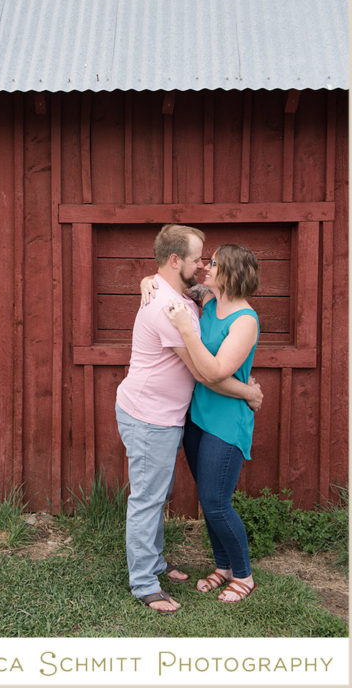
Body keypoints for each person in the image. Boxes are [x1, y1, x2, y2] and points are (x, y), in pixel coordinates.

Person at [116, 225, 262, 614]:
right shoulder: (177, 306)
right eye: (199, 259)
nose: (203, 268)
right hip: (152, 416)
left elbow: (211, 365)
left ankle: (191, 566)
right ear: (175, 260)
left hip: (182, 417)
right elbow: (204, 373)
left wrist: (150, 279)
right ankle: (145, 583)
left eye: (209, 262)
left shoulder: (194, 298)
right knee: (150, 499)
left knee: (174, 497)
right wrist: (250, 391)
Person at [161, 243, 261, 603]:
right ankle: (223, 567)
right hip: (197, 417)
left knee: (217, 502)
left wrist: (184, 330)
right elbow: (170, 283)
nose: (206, 266)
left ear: (230, 271)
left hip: (226, 423)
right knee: (208, 498)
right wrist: (146, 281)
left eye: (214, 262)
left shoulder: (245, 321)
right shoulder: (209, 300)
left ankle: (244, 576)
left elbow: (216, 372)